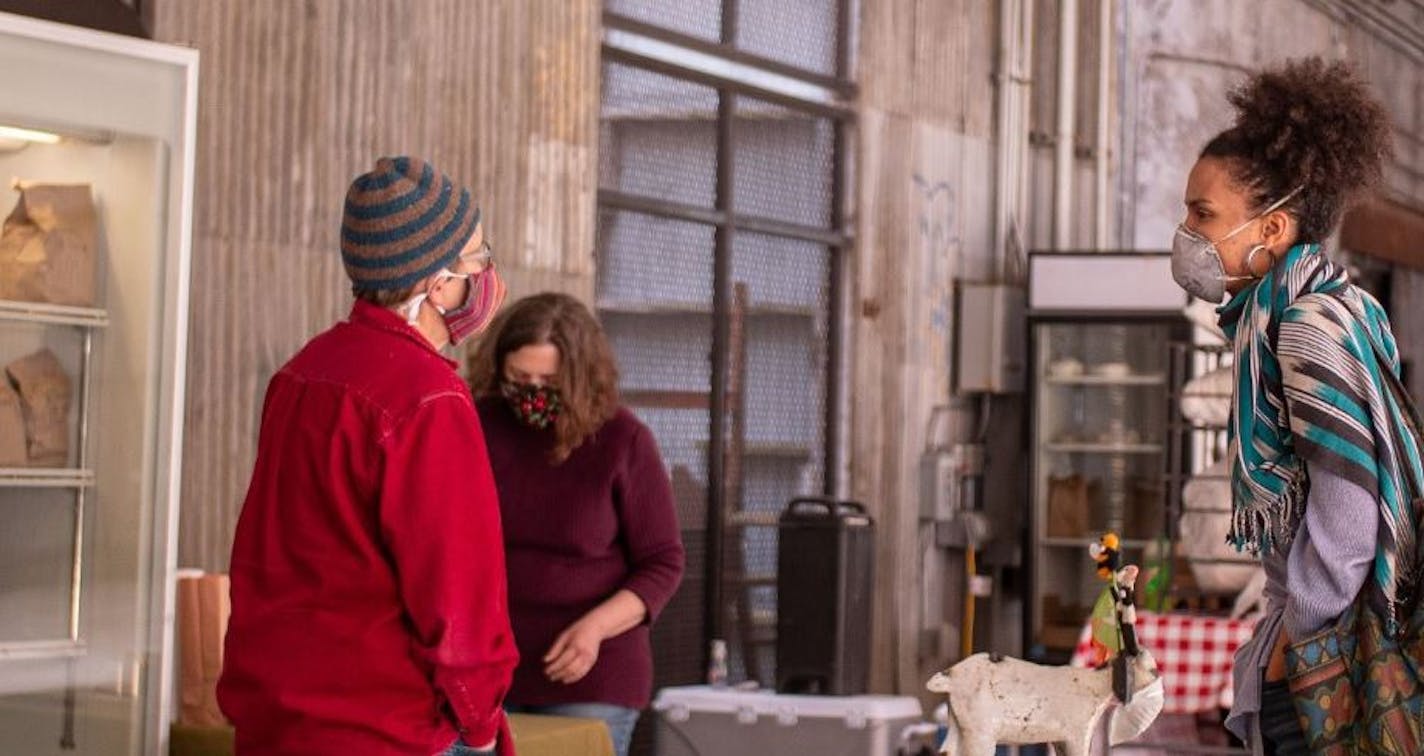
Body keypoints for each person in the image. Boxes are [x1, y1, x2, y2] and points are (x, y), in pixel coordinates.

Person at [217, 156, 517, 756]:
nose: (488, 275)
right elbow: (458, 592)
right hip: (387, 730)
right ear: (439, 284)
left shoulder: (304, 371)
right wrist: (481, 724)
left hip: (279, 722)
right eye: (479, 259)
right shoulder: (428, 396)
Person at [1169, 59, 1406, 754]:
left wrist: (1295, 640)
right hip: (1329, 650)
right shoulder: (1346, 305)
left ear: (1272, 230)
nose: (1187, 232)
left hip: (1322, 664)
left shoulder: (1303, 327)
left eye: (1202, 213)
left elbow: (1350, 510)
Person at [468, 292, 686, 756]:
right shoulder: (475, 424)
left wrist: (596, 629)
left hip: (593, 673)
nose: (531, 393)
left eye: (547, 382)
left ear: (579, 378)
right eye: (518, 379)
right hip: (486, 670)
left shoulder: (624, 440)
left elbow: (663, 562)